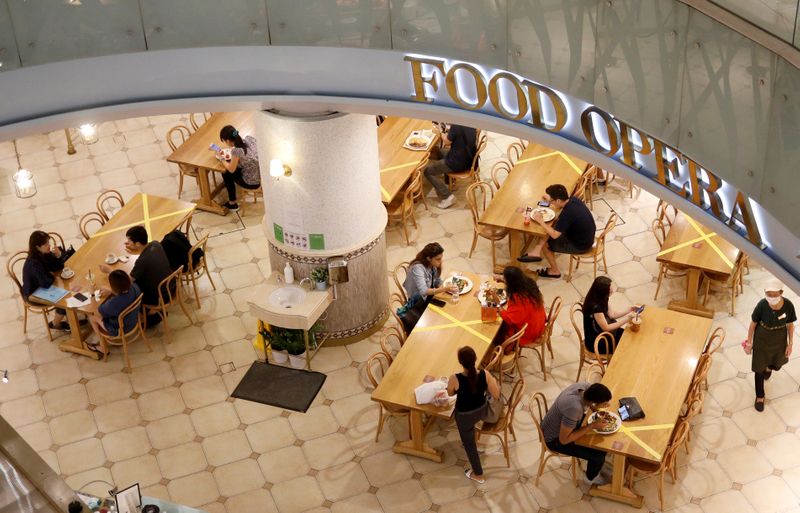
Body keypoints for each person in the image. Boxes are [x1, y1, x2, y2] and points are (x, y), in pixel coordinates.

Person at [540, 382, 613, 485]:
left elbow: (591, 404)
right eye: (604, 403)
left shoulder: (584, 387)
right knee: (599, 453)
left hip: (560, 425)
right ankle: (590, 478)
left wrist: (597, 410)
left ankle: (593, 466)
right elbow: (564, 440)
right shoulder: (574, 408)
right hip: (553, 439)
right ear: (595, 401)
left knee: (600, 439)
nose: (607, 405)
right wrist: (592, 426)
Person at [518, 184, 596, 279]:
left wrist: (540, 221)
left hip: (581, 245)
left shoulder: (568, 213)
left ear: (558, 200)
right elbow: (560, 208)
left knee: (547, 242)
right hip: (585, 236)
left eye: (552, 200)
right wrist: (549, 200)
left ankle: (555, 271)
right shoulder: (573, 199)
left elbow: (555, 235)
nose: (551, 202)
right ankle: (536, 251)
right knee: (553, 225)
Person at [447, 346, 500, 484]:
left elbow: (450, 393)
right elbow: (496, 394)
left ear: (460, 362)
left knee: (470, 446)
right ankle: (472, 440)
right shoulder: (485, 374)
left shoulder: (455, 378)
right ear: (475, 359)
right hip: (481, 411)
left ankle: (478, 474)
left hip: (464, 416)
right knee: (470, 432)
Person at [102, 226, 172, 325]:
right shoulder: (156, 244)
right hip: (170, 286)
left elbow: (126, 282)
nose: (127, 243)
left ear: (138, 244)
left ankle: (148, 313)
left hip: (159, 296)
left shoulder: (141, 261)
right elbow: (147, 253)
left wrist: (110, 272)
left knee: (130, 289)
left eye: (129, 241)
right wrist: (135, 249)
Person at [745, 281, 796, 412]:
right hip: (762, 338)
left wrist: (790, 344)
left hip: (779, 339)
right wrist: (749, 342)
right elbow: (753, 324)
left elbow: (790, 324)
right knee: (758, 369)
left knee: (777, 364)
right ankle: (760, 396)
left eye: (774, 294)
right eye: (768, 294)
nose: (771, 297)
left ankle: (769, 367)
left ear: (781, 293)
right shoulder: (762, 305)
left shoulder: (788, 305)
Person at [399, 242, 456, 333]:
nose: (441, 261)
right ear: (429, 258)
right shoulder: (418, 268)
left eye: (441, 258)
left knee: (450, 311)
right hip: (418, 302)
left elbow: (437, 280)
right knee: (439, 322)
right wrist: (444, 289)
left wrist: (444, 285)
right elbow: (424, 291)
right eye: (438, 259)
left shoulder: (432, 265)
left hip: (427, 298)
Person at [22, 231, 69, 330]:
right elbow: (45, 283)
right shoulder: (33, 263)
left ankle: (70, 319)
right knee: (62, 299)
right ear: (37, 247)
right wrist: (52, 276)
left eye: (48, 242)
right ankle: (55, 324)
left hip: (41, 285)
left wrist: (58, 256)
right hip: (32, 293)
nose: (49, 246)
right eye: (45, 244)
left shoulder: (44, 253)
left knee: (67, 291)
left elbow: (58, 267)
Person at [87, 270, 142, 356]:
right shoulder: (134, 287)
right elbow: (123, 294)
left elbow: (95, 312)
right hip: (133, 320)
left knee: (91, 316)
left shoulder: (114, 304)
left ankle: (103, 347)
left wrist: (92, 294)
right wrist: (111, 291)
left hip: (120, 329)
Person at [424, 124, 477, 209]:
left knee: (428, 171)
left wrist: (441, 131)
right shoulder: (470, 121)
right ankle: (449, 182)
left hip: (457, 163)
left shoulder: (456, 126)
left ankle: (447, 196)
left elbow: (447, 142)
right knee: (441, 152)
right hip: (469, 158)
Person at [582, 276, 637, 355]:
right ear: (603, 291)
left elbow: (612, 315)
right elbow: (606, 328)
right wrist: (627, 319)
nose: (612, 291)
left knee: (628, 337)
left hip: (603, 332)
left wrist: (629, 310)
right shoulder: (596, 308)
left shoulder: (602, 298)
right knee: (625, 347)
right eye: (610, 291)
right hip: (597, 340)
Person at [496, 266, 546, 347]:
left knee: (500, 326)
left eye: (505, 278)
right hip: (539, 321)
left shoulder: (518, 298)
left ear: (511, 283)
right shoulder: (529, 283)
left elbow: (509, 319)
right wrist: (501, 278)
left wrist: (498, 307)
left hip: (529, 331)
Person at [217, 125, 260, 212]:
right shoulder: (249, 139)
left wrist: (221, 158)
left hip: (251, 182)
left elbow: (231, 169)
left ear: (228, 141)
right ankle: (229, 185)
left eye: (225, 141)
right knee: (231, 170)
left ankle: (232, 204)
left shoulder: (236, 151)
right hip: (260, 175)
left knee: (226, 172)